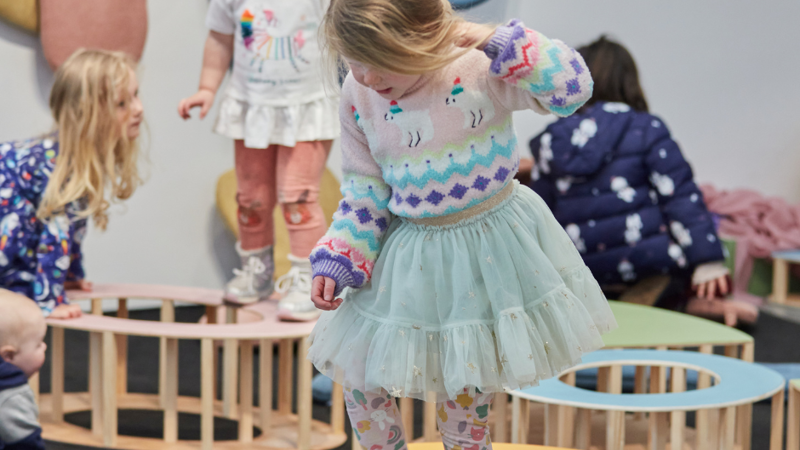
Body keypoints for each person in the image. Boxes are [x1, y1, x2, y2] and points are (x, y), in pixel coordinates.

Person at [307, 1, 617, 448]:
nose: (367, 78)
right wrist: (340, 253)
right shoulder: (358, 96)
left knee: (463, 392)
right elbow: (365, 188)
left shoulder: (476, 66)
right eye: (353, 62)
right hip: (410, 251)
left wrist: (500, 41)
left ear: (419, 37)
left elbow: (572, 89)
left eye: (378, 62)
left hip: (485, 251)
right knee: (357, 374)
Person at [527, 36, 745, 319]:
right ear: (629, 82)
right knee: (683, 279)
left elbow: (540, 214)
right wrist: (708, 262)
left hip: (584, 272)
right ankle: (675, 305)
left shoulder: (551, 141)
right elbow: (680, 196)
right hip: (648, 264)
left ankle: (606, 307)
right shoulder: (645, 128)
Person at [178, 0, 340, 321]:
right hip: (252, 107)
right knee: (251, 197)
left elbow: (351, 26)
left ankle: (308, 276)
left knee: (299, 197)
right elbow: (220, 38)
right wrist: (207, 88)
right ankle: (257, 268)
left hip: (307, 106)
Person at [0, 49, 144, 318]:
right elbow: (55, 235)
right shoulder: (60, 167)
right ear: (88, 115)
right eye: (123, 103)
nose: (139, 108)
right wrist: (50, 301)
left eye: (136, 95)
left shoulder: (75, 160)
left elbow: (73, 224)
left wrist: (70, 272)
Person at [0, 289, 50, 450]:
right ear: (9, 355)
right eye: (38, 344)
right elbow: (26, 443)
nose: (44, 346)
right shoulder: (11, 394)